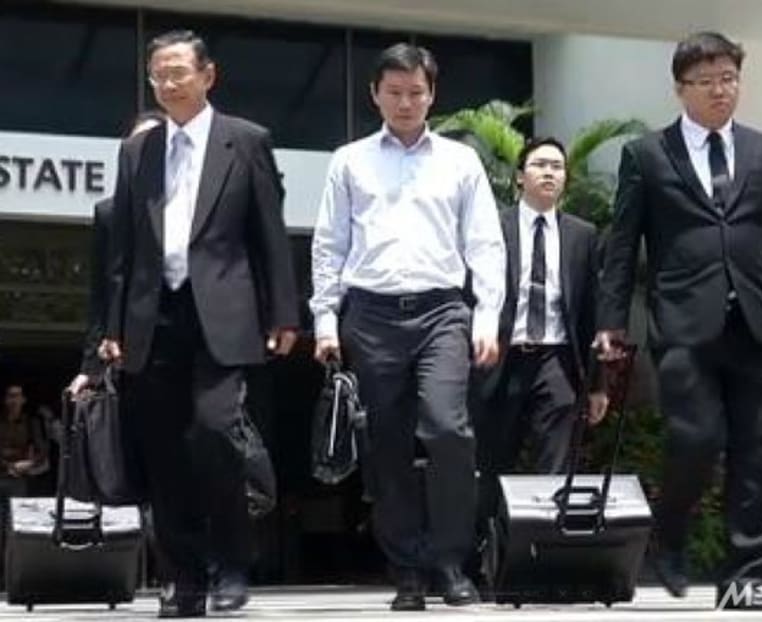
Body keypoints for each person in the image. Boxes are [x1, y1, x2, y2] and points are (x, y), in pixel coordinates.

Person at [596, 31, 762, 611]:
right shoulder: (646, 154)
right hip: (683, 327)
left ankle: (743, 578)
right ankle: (669, 534)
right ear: (680, 89)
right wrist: (611, 322)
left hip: (755, 323)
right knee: (696, 440)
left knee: (756, 454)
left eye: (729, 79)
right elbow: (622, 246)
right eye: (707, 81)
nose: (721, 91)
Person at [99, 29, 299, 618]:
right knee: (163, 452)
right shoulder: (139, 150)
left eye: (177, 72)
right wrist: (113, 325)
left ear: (208, 75)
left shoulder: (247, 141)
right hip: (151, 314)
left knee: (214, 433)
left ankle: (232, 563)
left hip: (224, 312)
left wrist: (284, 310)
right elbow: (124, 247)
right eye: (157, 74)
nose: (166, 83)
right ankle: (183, 579)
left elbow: (269, 234)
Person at [310, 43, 505, 611]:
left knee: (448, 429)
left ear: (433, 95)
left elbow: (486, 245)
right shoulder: (348, 160)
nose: (405, 102)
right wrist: (326, 319)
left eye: (416, 92)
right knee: (385, 444)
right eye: (394, 92)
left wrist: (486, 315)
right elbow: (329, 245)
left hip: (443, 310)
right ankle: (408, 571)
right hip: (369, 314)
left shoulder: (460, 162)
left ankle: (450, 561)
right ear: (375, 94)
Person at [474, 137, 608, 525]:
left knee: (557, 463)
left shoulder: (582, 235)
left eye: (557, 166)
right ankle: (485, 551)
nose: (549, 172)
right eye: (540, 165)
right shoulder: (492, 227)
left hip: (557, 358)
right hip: (502, 356)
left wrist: (597, 383)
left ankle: (547, 550)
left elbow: (590, 312)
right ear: (519, 177)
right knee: (493, 462)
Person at [69, 110, 166, 397]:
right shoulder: (109, 214)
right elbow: (102, 293)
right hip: (128, 349)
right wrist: (90, 367)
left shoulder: (192, 208)